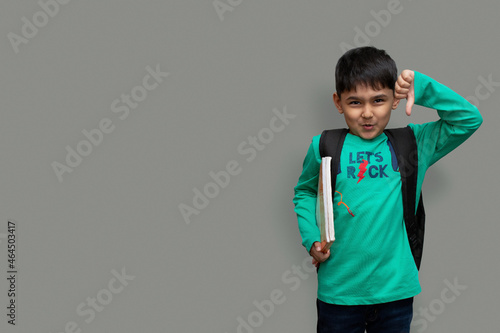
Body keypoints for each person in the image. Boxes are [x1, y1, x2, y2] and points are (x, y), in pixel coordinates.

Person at [292, 46, 483, 332]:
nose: (368, 113)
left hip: (396, 293)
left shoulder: (414, 144)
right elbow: (305, 193)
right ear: (338, 102)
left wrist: (424, 87)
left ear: (396, 99)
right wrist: (311, 239)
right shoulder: (324, 146)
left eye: (379, 100)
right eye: (355, 102)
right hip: (338, 293)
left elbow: (469, 119)